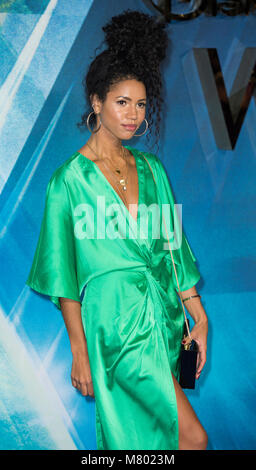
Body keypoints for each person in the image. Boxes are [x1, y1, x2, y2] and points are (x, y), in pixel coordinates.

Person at [26, 10, 208, 450]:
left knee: (148, 443)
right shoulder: (68, 180)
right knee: (192, 440)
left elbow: (173, 247)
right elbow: (62, 276)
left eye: (141, 104)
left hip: (163, 316)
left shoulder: (152, 168)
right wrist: (80, 350)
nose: (132, 114)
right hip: (115, 322)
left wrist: (197, 316)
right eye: (121, 102)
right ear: (96, 102)